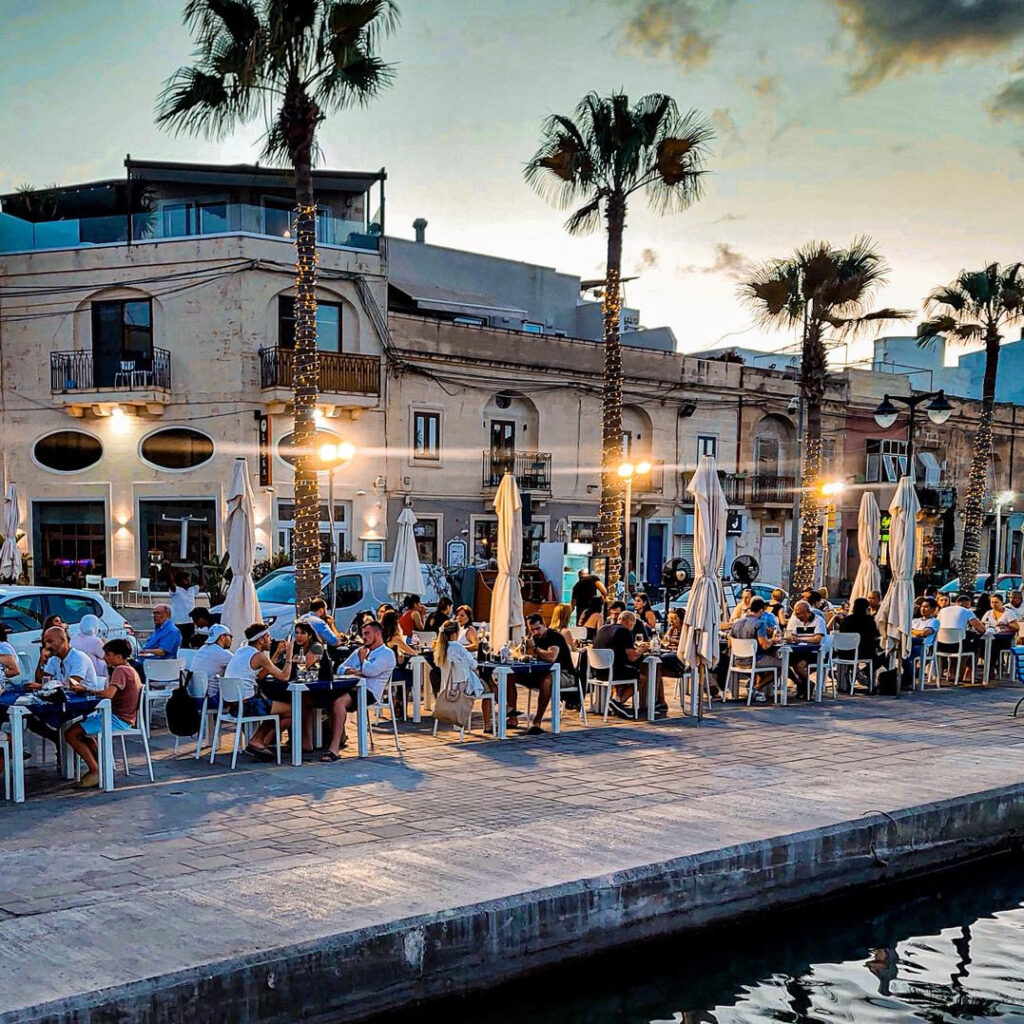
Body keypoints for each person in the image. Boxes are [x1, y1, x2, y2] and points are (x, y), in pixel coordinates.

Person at [63, 639, 143, 789]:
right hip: (124, 717)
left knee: (71, 734)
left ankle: (95, 770)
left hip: (118, 719)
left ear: (119, 657)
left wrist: (86, 690)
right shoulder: (129, 669)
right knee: (81, 731)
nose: (105, 657)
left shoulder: (120, 670)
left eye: (108, 654)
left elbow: (108, 694)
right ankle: (100, 766)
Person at [321, 620, 396, 762]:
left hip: (370, 692)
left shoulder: (386, 654)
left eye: (367, 634)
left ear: (378, 634)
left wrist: (363, 662)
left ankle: (334, 747)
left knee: (339, 702)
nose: (364, 637)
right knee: (322, 697)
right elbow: (340, 668)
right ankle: (319, 739)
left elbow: (370, 671)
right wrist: (355, 671)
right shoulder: (360, 650)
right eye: (363, 634)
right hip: (351, 688)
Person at [222, 623, 294, 760]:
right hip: (246, 705)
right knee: (293, 710)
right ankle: (258, 741)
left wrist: (277, 653)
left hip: (232, 705)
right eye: (268, 636)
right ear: (261, 640)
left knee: (276, 709)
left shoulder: (241, 650)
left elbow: (260, 675)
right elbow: (285, 676)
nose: (271, 639)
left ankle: (259, 744)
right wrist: (289, 655)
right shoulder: (260, 656)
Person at [516, 613, 579, 731]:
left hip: (565, 674)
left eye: (538, 628)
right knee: (511, 675)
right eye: (532, 630)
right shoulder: (532, 638)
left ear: (544, 625)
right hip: (541, 672)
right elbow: (519, 653)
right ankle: (511, 715)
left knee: (546, 681)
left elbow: (551, 657)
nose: (535, 632)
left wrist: (534, 648)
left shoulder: (554, 637)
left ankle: (537, 721)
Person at [433, 620, 497, 732]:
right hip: (463, 687)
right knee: (489, 690)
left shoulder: (440, 648)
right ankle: (487, 725)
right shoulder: (457, 646)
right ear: (455, 634)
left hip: (448, 687)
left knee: (483, 684)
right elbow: (473, 664)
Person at [592, 610, 650, 719]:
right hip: (613, 672)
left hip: (598, 670)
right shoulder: (625, 631)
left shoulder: (603, 628)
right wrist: (642, 649)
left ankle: (615, 700)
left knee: (626, 670)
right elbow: (632, 657)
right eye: (633, 625)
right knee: (642, 678)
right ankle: (617, 703)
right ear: (629, 622)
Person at [730, 597, 782, 703]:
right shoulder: (759, 623)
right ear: (761, 610)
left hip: (737, 660)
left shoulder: (737, 623)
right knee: (782, 665)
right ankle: (756, 688)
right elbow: (765, 645)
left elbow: (729, 642)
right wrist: (773, 640)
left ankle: (756, 690)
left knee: (764, 666)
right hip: (753, 660)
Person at [937, 594, 985, 682]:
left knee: (959, 641)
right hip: (957, 645)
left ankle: (952, 673)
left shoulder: (943, 610)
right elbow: (981, 629)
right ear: (968, 604)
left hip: (941, 646)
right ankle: (968, 675)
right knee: (975, 645)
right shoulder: (967, 611)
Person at [838, 597, 885, 682]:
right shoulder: (869, 620)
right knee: (883, 657)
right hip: (864, 653)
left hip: (845, 653)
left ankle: (855, 673)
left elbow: (842, 634)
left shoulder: (846, 620)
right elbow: (875, 635)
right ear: (866, 608)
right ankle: (864, 672)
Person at [785, 601, 825, 695]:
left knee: (799, 666)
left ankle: (805, 684)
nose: (797, 616)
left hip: (814, 652)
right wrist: (790, 638)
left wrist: (801, 639)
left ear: (807, 612)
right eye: (795, 613)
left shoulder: (818, 621)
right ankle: (802, 683)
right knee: (782, 663)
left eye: (799, 614)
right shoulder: (798, 621)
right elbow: (793, 635)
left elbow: (817, 639)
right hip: (799, 651)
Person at [189, 623, 233, 698]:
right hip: (210, 699)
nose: (231, 639)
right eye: (230, 636)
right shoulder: (222, 654)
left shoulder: (202, 649)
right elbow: (240, 665)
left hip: (194, 696)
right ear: (222, 637)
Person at [166, 565, 201, 646]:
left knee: (188, 643)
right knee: (178, 642)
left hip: (191, 621)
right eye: (186, 579)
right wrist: (168, 569)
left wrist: (201, 570)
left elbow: (202, 585)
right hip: (179, 622)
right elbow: (171, 583)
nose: (188, 581)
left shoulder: (192, 590)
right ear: (180, 581)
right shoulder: (176, 590)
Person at [70, 613, 107, 679]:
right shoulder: (96, 641)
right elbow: (104, 656)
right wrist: (105, 644)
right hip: (92, 671)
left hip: (74, 669)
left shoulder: (74, 638)